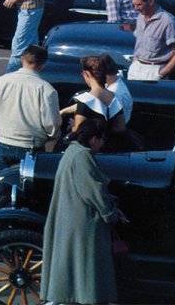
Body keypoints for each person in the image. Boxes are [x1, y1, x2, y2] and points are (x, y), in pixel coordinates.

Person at [41, 118, 120, 305]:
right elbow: (94, 191)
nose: (102, 144)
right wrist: (111, 214)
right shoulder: (83, 157)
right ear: (93, 139)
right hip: (82, 222)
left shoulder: (72, 152)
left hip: (69, 218)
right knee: (86, 269)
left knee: (72, 268)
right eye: (102, 140)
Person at [0, 45, 61, 173]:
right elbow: (51, 123)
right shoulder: (46, 89)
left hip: (3, 142)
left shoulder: (1, 82)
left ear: (22, 59)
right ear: (42, 65)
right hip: (30, 148)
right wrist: (53, 136)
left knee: (2, 181)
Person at [60, 56, 128, 150]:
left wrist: (73, 126)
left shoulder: (85, 101)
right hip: (108, 149)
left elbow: (78, 131)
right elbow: (120, 128)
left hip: (89, 150)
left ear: (87, 74)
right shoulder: (113, 97)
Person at [129, 0, 175, 81]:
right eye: (134, 5)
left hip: (153, 71)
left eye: (139, 5)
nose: (135, 8)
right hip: (136, 68)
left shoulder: (168, 21)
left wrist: (160, 73)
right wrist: (134, 62)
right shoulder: (140, 17)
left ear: (151, 1)